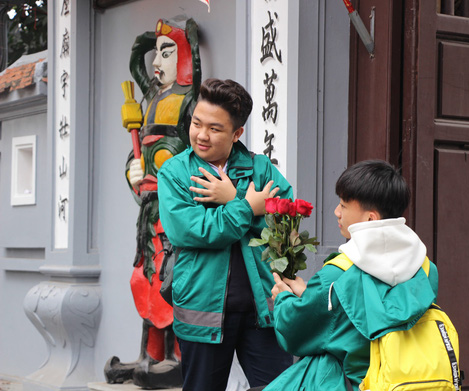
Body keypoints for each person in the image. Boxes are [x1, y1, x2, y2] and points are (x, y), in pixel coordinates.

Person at [157, 78, 294, 391]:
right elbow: (194, 231)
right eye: (196, 123)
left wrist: (231, 198)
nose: (202, 135)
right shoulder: (175, 173)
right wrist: (247, 206)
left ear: (236, 133)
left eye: (215, 128)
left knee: (279, 388)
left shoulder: (261, 169)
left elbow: (287, 227)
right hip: (201, 308)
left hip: (264, 309)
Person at [265, 160, 439, 390]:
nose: (336, 212)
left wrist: (283, 299)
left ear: (370, 219)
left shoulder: (337, 275)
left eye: (344, 205)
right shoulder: (425, 268)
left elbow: (295, 334)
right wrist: (314, 294)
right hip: (406, 380)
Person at [105, 17, 200, 388]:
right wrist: (132, 170)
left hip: (174, 209)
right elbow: (143, 163)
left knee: (170, 276)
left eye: (167, 51)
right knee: (145, 275)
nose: (157, 62)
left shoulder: (190, 102)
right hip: (148, 208)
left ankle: (176, 357)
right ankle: (150, 353)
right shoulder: (152, 101)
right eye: (155, 53)